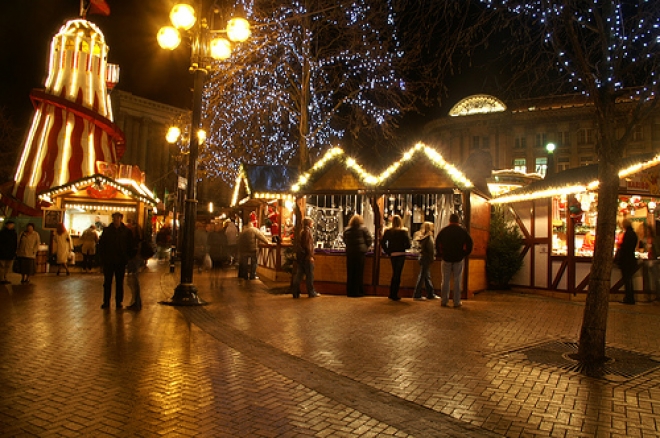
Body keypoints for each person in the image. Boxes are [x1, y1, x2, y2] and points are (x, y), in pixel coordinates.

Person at [98, 212, 134, 309]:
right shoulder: (107, 231)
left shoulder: (126, 231)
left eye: (117, 218)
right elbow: (101, 246)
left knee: (119, 282)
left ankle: (119, 301)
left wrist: (128, 258)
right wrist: (102, 259)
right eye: (114, 218)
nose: (116, 220)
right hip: (109, 260)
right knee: (107, 282)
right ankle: (106, 302)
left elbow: (130, 246)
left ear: (121, 219)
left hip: (120, 261)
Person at [436, 213, 473, 308]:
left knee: (445, 280)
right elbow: (470, 244)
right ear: (458, 221)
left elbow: (437, 243)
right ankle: (456, 301)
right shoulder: (462, 231)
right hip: (458, 258)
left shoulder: (444, 231)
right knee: (457, 280)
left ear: (449, 220)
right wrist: (464, 254)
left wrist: (441, 254)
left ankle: (444, 300)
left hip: (446, 258)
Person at [380, 215, 411, 301]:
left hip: (393, 254)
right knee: (397, 274)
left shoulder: (389, 232)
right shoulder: (403, 232)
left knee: (395, 273)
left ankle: (392, 293)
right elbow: (408, 245)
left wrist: (388, 251)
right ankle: (394, 294)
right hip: (401, 253)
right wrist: (403, 246)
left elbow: (382, 242)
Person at [343, 214, 373, 297]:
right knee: (359, 272)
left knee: (350, 272)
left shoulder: (347, 230)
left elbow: (344, 240)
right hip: (360, 253)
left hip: (350, 253)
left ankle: (350, 291)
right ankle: (358, 291)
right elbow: (369, 239)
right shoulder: (364, 229)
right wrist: (366, 247)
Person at [291, 217, 319, 298]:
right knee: (309, 275)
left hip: (301, 257)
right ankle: (311, 292)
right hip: (306, 257)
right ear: (309, 223)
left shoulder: (302, 231)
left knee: (299, 275)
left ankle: (295, 292)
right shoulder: (307, 232)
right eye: (312, 222)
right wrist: (310, 255)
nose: (313, 224)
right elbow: (307, 245)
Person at [413, 221, 438, 301]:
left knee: (426, 276)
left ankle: (430, 293)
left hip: (422, 257)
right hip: (427, 258)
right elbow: (431, 249)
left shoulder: (422, 237)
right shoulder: (429, 237)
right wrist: (433, 257)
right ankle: (417, 294)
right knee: (422, 276)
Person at [616, 218, 638, 305]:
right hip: (631, 259)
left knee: (627, 280)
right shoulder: (634, 234)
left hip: (626, 260)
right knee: (629, 280)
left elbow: (624, 247)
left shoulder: (627, 234)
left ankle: (629, 298)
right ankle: (630, 297)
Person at [125, 219, 143, 310]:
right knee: (133, 280)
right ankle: (136, 301)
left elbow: (132, 250)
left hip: (133, 260)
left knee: (133, 280)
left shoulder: (134, 240)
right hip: (135, 260)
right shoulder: (139, 238)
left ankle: (136, 302)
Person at [641, 223, 660, 298]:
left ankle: (657, 296)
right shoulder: (645, 239)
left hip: (653, 260)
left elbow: (657, 251)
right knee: (647, 279)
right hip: (647, 260)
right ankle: (648, 295)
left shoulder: (655, 239)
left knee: (656, 279)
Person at [0, 220, 18, 284]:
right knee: (2, 266)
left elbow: (15, 243)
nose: (11, 226)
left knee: (7, 267)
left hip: (10, 253)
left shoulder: (14, 233)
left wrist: (15, 251)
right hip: (3, 253)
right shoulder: (2, 233)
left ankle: (5, 277)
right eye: (10, 224)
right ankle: (2, 278)